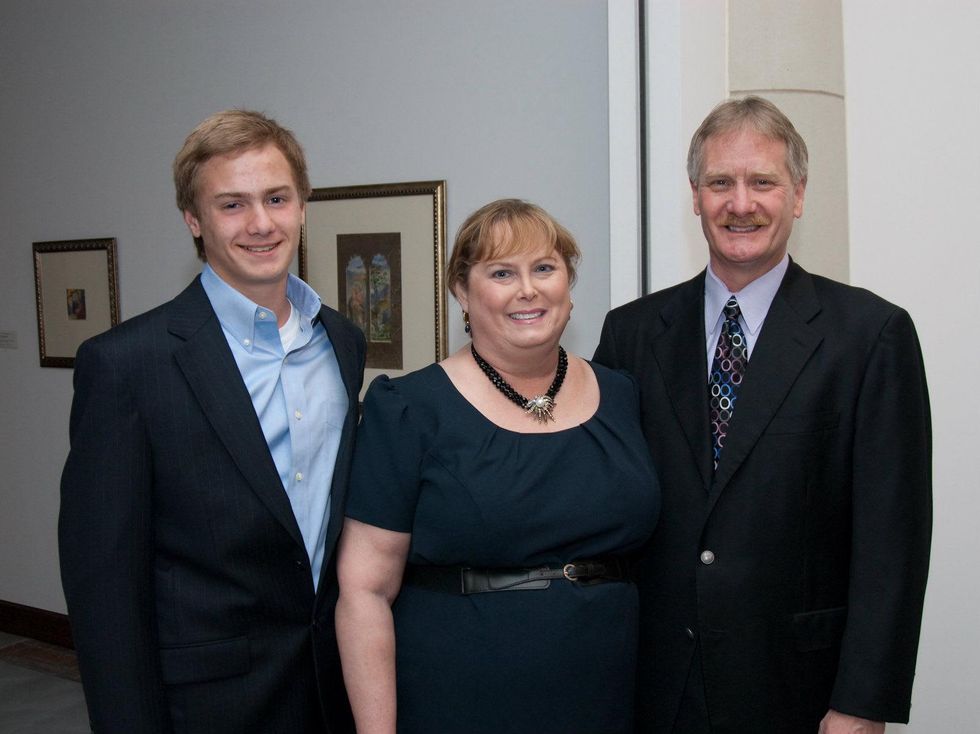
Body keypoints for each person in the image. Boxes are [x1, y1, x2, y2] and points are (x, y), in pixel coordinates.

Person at [594, 96, 932, 734]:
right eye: (720, 182)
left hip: (800, 690)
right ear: (695, 195)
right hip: (655, 688)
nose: (740, 203)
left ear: (798, 195)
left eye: (763, 182)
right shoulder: (631, 334)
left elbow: (894, 539)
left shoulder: (870, 335)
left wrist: (863, 702)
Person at [59, 109, 365, 733]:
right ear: (194, 222)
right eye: (231, 205)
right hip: (208, 703)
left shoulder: (342, 341)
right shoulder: (126, 366)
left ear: (303, 206)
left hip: (332, 685)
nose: (260, 223)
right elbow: (105, 592)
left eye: (277, 198)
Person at [335, 199, 661, 733]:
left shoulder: (622, 393)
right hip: (460, 694)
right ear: (462, 292)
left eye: (545, 268)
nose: (527, 289)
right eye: (502, 272)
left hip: (608, 691)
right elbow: (364, 591)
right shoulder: (409, 409)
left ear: (569, 287)